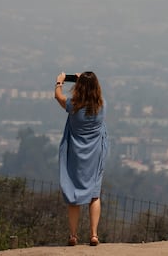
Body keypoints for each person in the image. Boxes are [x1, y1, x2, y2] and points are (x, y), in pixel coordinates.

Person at [54, 71, 108, 246]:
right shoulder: (101, 106)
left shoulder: (73, 105)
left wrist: (60, 82)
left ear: (79, 87)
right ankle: (93, 235)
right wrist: (84, 81)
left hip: (76, 153)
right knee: (94, 194)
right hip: (95, 153)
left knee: (74, 192)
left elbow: (58, 97)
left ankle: (73, 235)